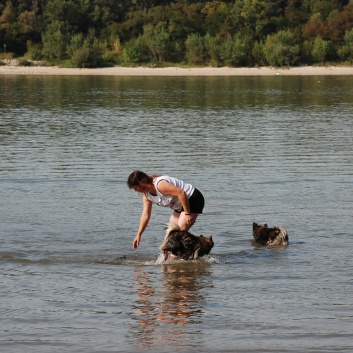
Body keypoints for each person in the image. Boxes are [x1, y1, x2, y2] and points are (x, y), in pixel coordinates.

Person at [127, 170, 205, 249]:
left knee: (178, 235)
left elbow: (181, 193)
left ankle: (198, 248)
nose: (135, 190)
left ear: (141, 183)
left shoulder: (160, 185)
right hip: (179, 205)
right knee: (170, 235)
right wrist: (139, 235)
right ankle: (175, 257)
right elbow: (145, 215)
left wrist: (188, 214)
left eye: (135, 187)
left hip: (192, 199)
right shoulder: (146, 196)